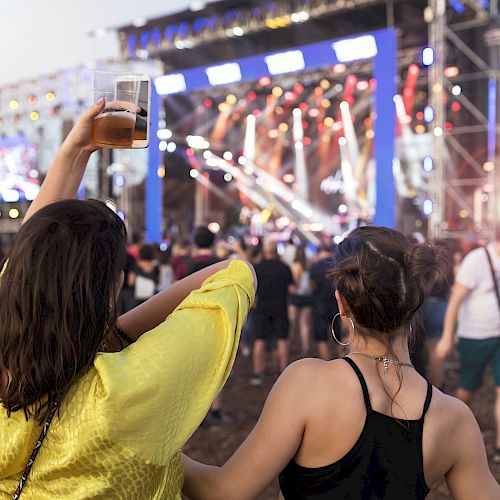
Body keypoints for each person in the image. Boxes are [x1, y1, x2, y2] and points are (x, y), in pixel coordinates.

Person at [0, 102, 256, 499]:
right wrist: (115, 331)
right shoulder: (121, 391)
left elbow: (29, 260)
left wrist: (76, 150)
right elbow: (235, 273)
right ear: (112, 286)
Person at [183, 226, 500, 499]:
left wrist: (150, 449)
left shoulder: (307, 383)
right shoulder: (454, 419)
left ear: (342, 301)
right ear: (415, 299)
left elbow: (223, 492)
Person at [436, 236, 500, 462]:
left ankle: (499, 447)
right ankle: (446, 433)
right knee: (467, 387)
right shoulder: (477, 260)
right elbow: (455, 301)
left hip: (498, 335)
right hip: (475, 335)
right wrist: (446, 336)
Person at [251, 240, 295, 385]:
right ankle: (280, 373)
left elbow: (253, 290)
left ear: (265, 251)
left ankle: (258, 374)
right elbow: (291, 289)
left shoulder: (258, 268)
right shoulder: (284, 268)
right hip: (280, 306)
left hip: (262, 307)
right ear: (277, 252)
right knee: (281, 339)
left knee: (260, 339)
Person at [309, 244, 337, 360]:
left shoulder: (315, 267)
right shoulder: (338, 265)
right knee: (339, 338)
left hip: (319, 304)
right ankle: (342, 364)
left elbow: (312, 286)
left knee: (321, 338)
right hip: (336, 305)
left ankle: (327, 364)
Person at [288, 247, 314, 357]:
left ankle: (289, 345)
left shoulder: (294, 265)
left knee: (292, 323)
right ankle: (305, 347)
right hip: (307, 297)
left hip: (296, 297)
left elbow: (295, 283)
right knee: (304, 324)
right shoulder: (309, 265)